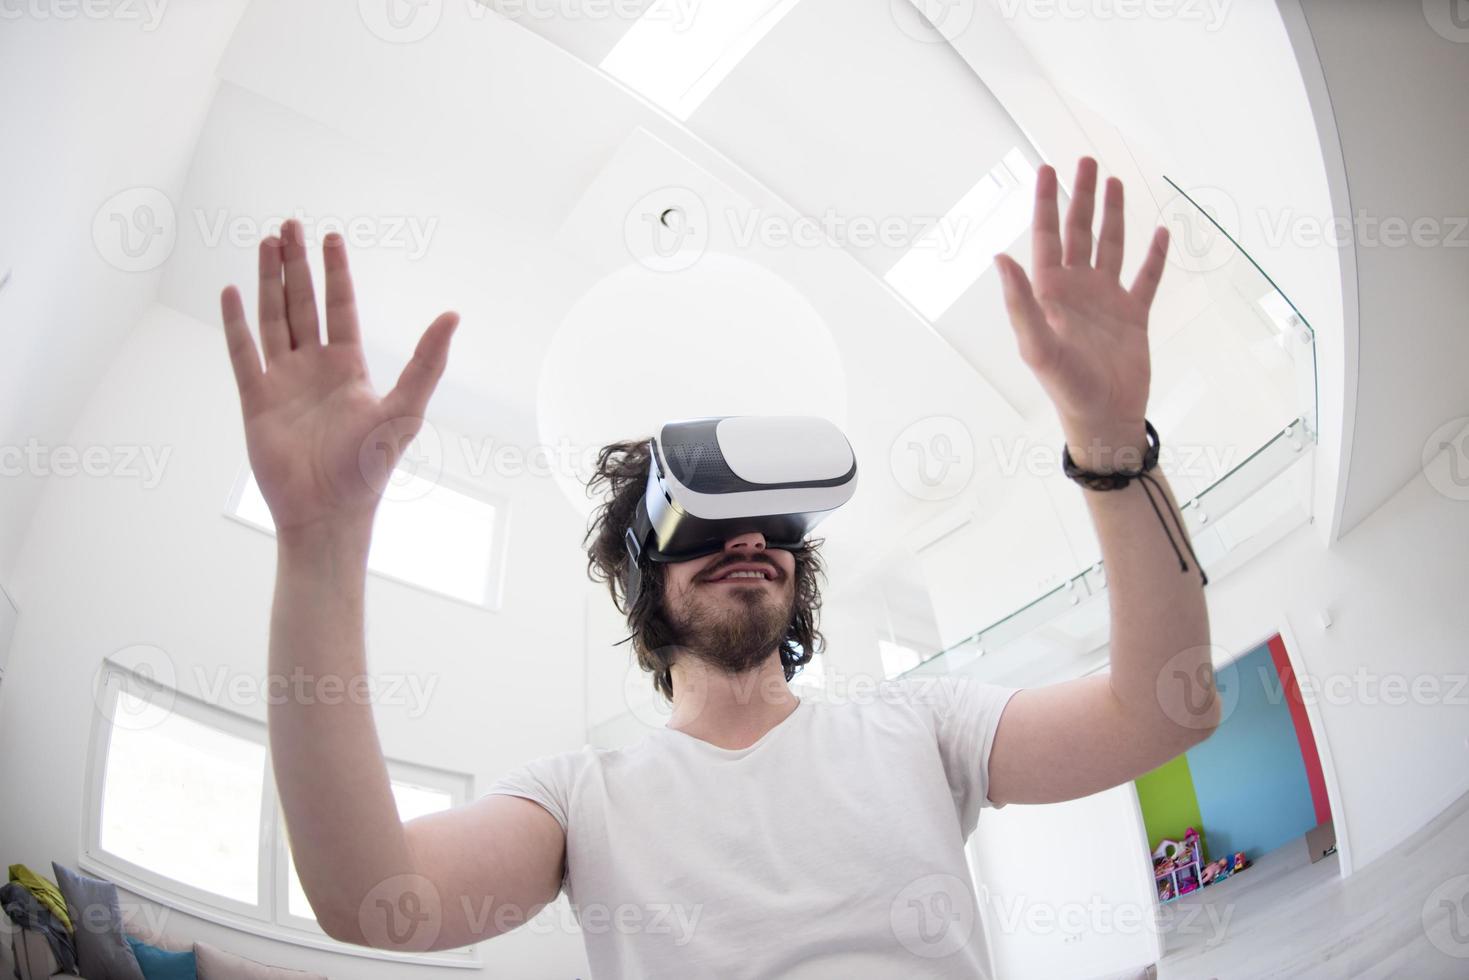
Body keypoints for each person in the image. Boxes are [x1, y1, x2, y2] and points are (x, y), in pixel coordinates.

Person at [217, 156, 1220, 977]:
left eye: (772, 520)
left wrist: (1105, 437)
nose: (747, 537)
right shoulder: (581, 799)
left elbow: (1164, 710)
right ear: (645, 580)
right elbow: (370, 900)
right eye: (703, 521)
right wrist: (320, 545)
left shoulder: (920, 726)